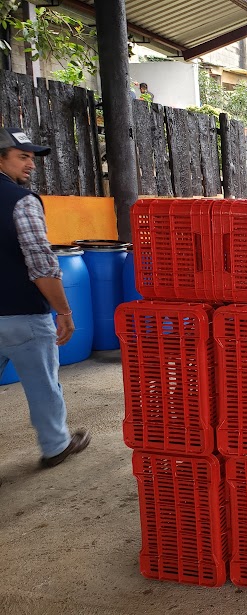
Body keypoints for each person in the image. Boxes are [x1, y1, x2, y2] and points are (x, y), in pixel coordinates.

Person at [0, 127, 91, 469]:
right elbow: (40, 263)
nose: (31, 165)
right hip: (22, 315)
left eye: (32, 158)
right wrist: (63, 311)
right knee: (43, 385)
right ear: (1, 159)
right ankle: (56, 446)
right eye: (22, 157)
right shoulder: (21, 202)